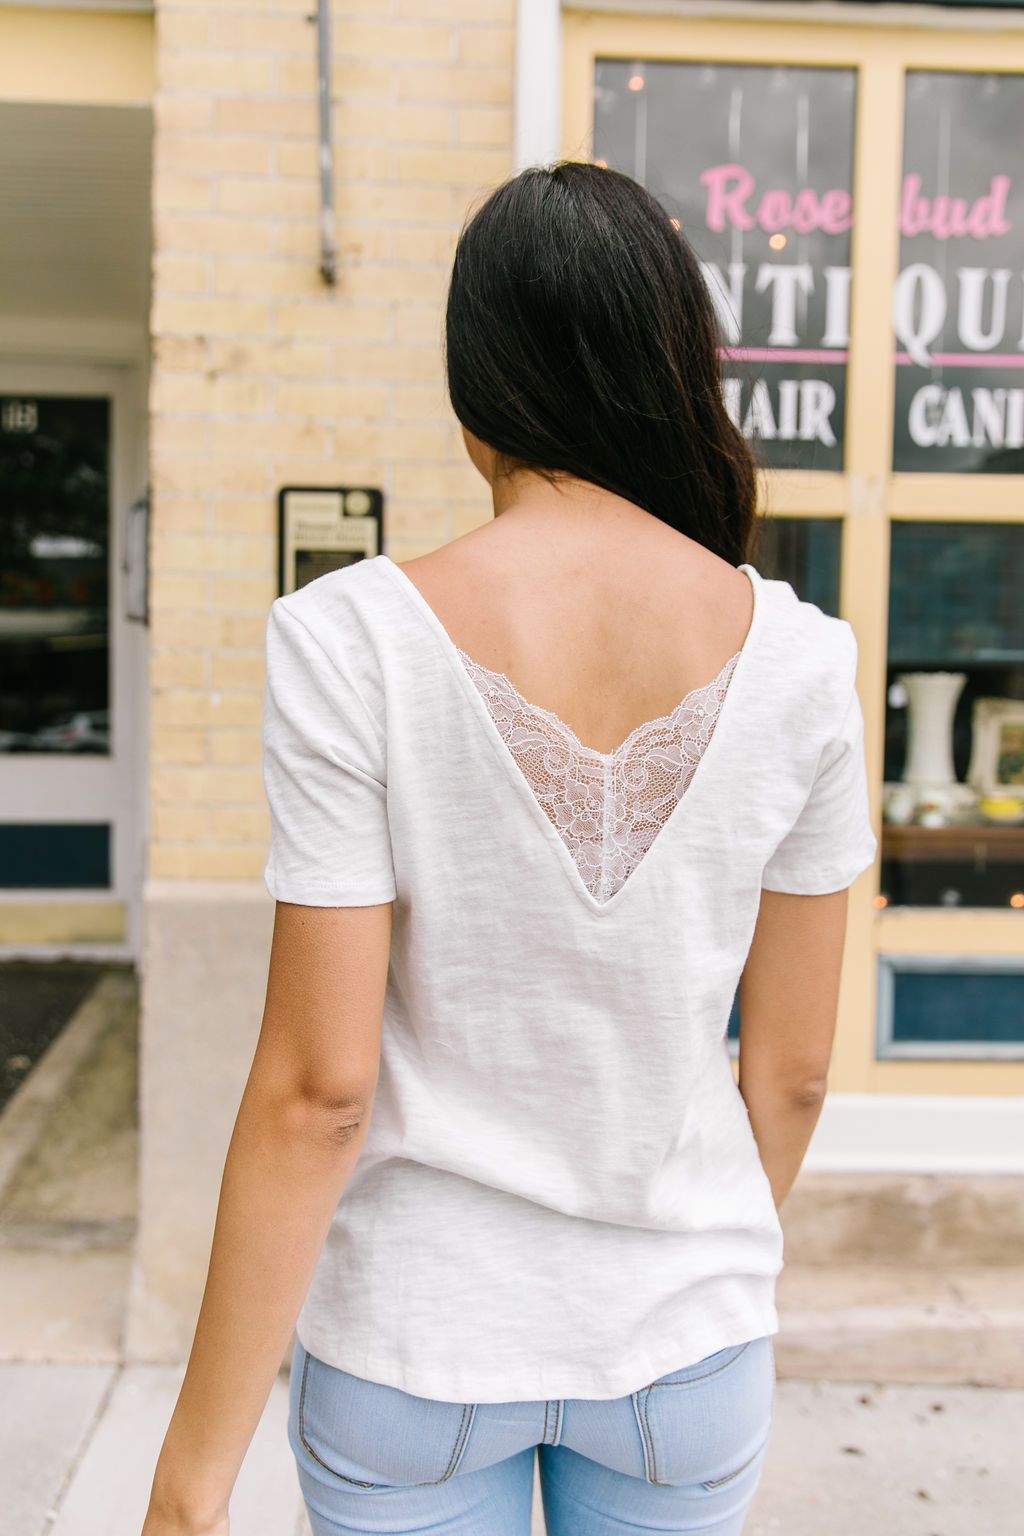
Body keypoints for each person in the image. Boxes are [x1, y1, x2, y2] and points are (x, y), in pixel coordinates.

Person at [142, 161, 878, 1536]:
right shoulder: (805, 662)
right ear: (673, 368)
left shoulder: (346, 638)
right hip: (683, 1349)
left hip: (414, 1347)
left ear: (474, 391)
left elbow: (320, 1091)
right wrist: (681, 1252)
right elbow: (793, 1073)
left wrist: (190, 1483)